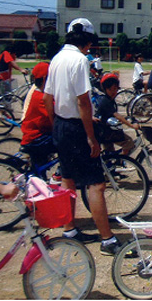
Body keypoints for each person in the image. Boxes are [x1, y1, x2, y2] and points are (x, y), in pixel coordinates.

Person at [43, 17, 122, 255]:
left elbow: (48, 98)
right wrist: (90, 136)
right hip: (77, 128)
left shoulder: (56, 58)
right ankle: (107, 240)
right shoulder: (79, 60)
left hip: (61, 125)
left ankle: (70, 230)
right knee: (96, 184)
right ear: (87, 41)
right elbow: (83, 102)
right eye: (90, 43)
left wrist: (56, 123)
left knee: (67, 180)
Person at [20, 62, 58, 181]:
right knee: (67, 144)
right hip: (36, 138)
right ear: (45, 79)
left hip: (38, 135)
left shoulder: (40, 93)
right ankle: (59, 175)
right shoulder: (40, 97)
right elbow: (54, 114)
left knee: (39, 170)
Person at [95, 73, 140, 155]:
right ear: (105, 89)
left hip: (105, 130)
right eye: (110, 89)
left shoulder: (109, 100)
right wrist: (131, 125)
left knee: (109, 152)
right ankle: (120, 160)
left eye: (115, 89)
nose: (113, 92)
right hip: (105, 131)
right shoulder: (105, 101)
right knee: (128, 142)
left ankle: (112, 164)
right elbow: (117, 115)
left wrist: (126, 119)